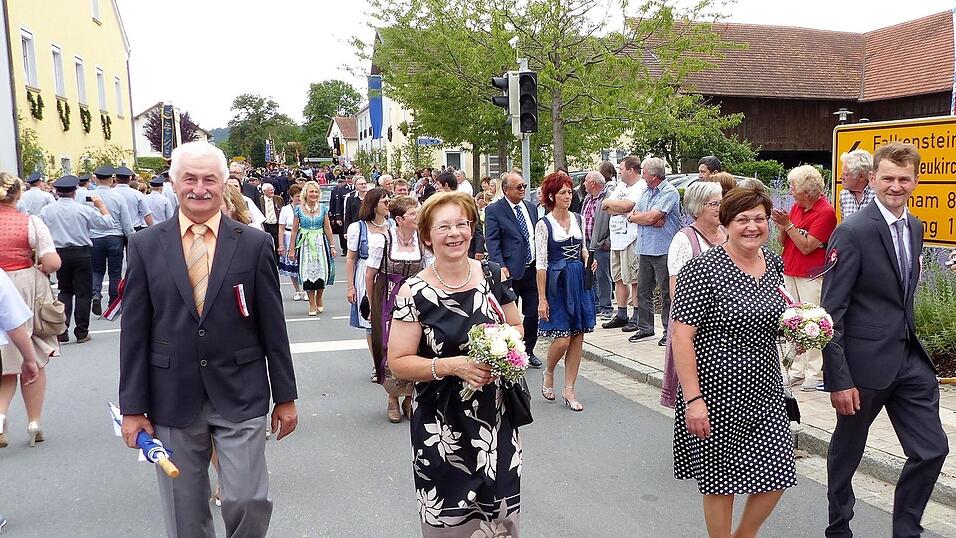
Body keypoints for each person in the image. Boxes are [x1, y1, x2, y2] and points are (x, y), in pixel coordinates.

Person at [118, 141, 298, 538]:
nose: (200, 188)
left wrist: (285, 396)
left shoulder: (253, 244)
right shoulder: (146, 245)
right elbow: (134, 333)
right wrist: (133, 408)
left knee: (247, 499)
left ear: (224, 185)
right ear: (174, 183)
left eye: (209, 180)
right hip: (171, 395)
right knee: (185, 514)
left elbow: (274, 327)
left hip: (241, 390)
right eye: (190, 179)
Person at [821, 142, 949, 537]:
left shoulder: (915, 226)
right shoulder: (852, 232)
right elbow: (831, 313)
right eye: (888, 178)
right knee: (847, 453)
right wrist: (838, 378)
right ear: (873, 178)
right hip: (862, 368)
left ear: (916, 180)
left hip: (908, 359)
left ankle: (906, 530)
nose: (896, 186)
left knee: (932, 449)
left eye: (904, 179)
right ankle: (839, 526)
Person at [388, 191, 523, 536]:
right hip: (441, 426)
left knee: (499, 519)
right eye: (444, 226)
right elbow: (399, 362)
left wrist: (503, 351)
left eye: (462, 224)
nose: (455, 234)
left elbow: (517, 326)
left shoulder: (492, 275)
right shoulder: (413, 292)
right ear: (427, 236)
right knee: (450, 522)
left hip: (496, 421)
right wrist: (453, 365)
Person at [670, 186, 796, 538]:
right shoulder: (702, 269)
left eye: (760, 219)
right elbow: (681, 337)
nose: (753, 226)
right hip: (714, 392)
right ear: (726, 223)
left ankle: (745, 535)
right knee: (720, 482)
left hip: (765, 389)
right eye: (743, 219)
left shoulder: (772, 262)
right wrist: (693, 400)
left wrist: (799, 332)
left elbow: (775, 315)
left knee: (778, 472)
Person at [0, 173, 59, 448]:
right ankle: (34, 421)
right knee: (32, 353)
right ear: (18, 195)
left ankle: (0, 416)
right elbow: (52, 261)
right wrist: (42, 266)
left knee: (4, 357)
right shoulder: (31, 223)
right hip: (24, 289)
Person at [770, 165, 837, 391]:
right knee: (793, 322)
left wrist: (788, 225)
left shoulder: (825, 213)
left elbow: (808, 246)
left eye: (793, 188)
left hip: (811, 274)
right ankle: (795, 369)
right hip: (790, 269)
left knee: (813, 323)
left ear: (807, 192)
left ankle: (814, 372)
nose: (790, 192)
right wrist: (782, 226)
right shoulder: (796, 207)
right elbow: (783, 242)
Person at [365, 196, 431, 423]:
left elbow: (429, 269)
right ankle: (392, 398)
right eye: (414, 214)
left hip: (414, 298)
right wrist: (372, 304)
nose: (418, 217)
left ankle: (409, 397)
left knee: (416, 346)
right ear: (400, 219)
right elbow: (370, 274)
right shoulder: (382, 240)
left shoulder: (422, 241)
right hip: (388, 297)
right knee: (389, 347)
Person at [660, 181, 725, 408]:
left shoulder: (727, 235)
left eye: (721, 202)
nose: (720, 208)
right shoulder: (685, 239)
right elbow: (675, 290)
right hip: (696, 323)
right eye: (714, 204)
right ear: (698, 207)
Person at [536, 172, 596, 412]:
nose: (568, 196)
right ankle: (549, 371)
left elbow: (583, 249)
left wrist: (588, 261)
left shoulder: (578, 219)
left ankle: (569, 388)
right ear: (552, 195)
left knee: (578, 335)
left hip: (579, 280)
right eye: (562, 192)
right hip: (557, 283)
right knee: (562, 339)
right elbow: (541, 263)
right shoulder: (544, 224)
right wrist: (542, 298)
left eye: (570, 192)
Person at [39, 175, 114, 344]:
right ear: (74, 192)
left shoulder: (47, 210)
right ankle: (81, 331)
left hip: (59, 252)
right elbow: (107, 224)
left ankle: (62, 330)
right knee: (83, 292)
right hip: (81, 252)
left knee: (65, 291)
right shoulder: (83, 209)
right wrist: (101, 206)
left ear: (57, 192)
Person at [485, 172, 544, 368]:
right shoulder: (495, 210)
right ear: (506, 189)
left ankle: (528, 350)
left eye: (524, 186)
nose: (523, 190)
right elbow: (492, 241)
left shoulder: (530, 207)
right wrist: (500, 266)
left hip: (532, 269)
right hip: (509, 270)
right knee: (509, 315)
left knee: (533, 312)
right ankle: (509, 351)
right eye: (518, 187)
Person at [627, 156, 681, 346]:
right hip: (645, 247)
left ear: (653, 174)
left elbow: (651, 217)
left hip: (663, 248)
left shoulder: (670, 192)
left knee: (667, 292)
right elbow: (635, 213)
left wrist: (647, 218)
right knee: (643, 290)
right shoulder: (646, 191)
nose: (641, 173)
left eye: (643, 170)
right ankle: (645, 328)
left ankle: (668, 330)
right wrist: (643, 218)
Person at [346, 188, 392, 381]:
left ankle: (391, 362)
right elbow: (351, 258)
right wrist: (351, 286)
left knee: (390, 320)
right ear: (374, 205)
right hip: (367, 272)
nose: (388, 203)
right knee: (371, 322)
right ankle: (376, 364)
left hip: (390, 272)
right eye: (384, 201)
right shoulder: (359, 227)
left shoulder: (392, 224)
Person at [601, 156, 646, 332]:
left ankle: (637, 315)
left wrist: (617, 207)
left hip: (631, 239)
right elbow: (607, 207)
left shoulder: (640, 186)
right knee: (618, 277)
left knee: (634, 279)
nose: (619, 172)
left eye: (621, 169)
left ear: (631, 170)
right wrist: (614, 207)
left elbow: (629, 205)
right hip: (617, 239)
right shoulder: (620, 186)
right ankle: (621, 313)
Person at [89, 169, 135, 316]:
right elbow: (125, 220)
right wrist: (131, 236)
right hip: (115, 237)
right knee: (115, 272)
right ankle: (113, 303)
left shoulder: (88, 197)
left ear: (96, 180)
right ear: (111, 180)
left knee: (97, 269)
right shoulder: (117, 196)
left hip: (95, 237)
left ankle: (95, 294)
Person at [289, 181, 337, 316]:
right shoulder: (298, 209)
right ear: (306, 193)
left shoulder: (323, 208)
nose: (314, 194)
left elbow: (327, 228)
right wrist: (292, 249)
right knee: (307, 272)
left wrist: (332, 245)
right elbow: (294, 230)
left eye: (316, 192)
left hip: (320, 243)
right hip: (305, 244)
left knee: (322, 272)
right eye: (311, 191)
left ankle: (319, 297)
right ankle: (311, 302)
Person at [582, 170, 613, 318]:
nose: (583, 184)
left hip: (601, 244)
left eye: (586, 181)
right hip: (587, 242)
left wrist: (607, 242)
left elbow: (613, 222)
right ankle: (594, 305)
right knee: (590, 275)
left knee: (602, 275)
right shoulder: (588, 198)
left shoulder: (609, 197)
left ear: (593, 183)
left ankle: (606, 307)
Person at [277, 185, 304, 301]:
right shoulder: (285, 209)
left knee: (303, 265)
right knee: (293, 266)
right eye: (297, 196)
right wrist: (281, 244)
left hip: (303, 237)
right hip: (288, 237)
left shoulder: (305, 208)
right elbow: (281, 228)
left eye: (301, 196)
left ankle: (307, 290)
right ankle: (297, 290)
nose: (299, 198)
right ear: (292, 197)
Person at [113, 166, 154, 231]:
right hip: (134, 229)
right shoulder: (137, 194)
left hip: (115, 230)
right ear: (130, 178)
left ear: (115, 178)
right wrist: (152, 230)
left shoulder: (111, 193)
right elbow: (147, 214)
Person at [838, 149, 875, 219]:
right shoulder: (844, 195)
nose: (841, 177)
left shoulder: (878, 195)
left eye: (846, 174)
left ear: (861, 177)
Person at [259, 182, 283, 248]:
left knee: (277, 243)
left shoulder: (279, 199)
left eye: (273, 189)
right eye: (270, 190)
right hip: (266, 226)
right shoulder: (260, 200)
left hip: (276, 225)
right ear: (264, 191)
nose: (272, 191)